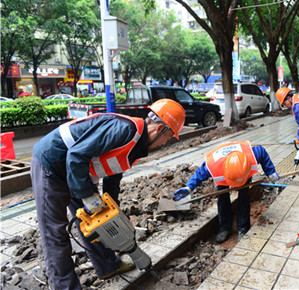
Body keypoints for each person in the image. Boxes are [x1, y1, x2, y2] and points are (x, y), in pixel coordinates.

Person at [30, 99, 185, 289]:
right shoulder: (125, 130)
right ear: (159, 128)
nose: (164, 143)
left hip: (76, 171)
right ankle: (65, 286)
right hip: (52, 163)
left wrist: (113, 212)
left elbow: (113, 174)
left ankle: (108, 265)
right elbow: (76, 155)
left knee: (97, 219)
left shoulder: (136, 143)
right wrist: (87, 195)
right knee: (54, 231)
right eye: (168, 137)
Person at [174, 142, 279, 243]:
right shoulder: (213, 166)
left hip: (243, 172)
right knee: (222, 198)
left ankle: (243, 228)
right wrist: (188, 187)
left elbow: (262, 152)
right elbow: (199, 174)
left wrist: (271, 171)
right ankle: (225, 228)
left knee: (244, 196)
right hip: (225, 172)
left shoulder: (252, 156)